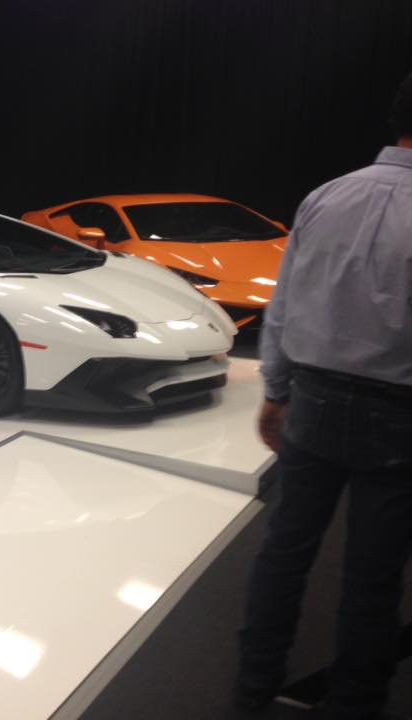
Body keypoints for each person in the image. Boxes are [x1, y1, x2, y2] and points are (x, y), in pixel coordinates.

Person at [236, 70, 412, 720]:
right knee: (373, 577)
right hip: (398, 417)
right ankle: (355, 704)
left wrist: (275, 391)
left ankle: (252, 688)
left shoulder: (326, 196)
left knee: (284, 550)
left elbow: (284, 305)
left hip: (311, 400)